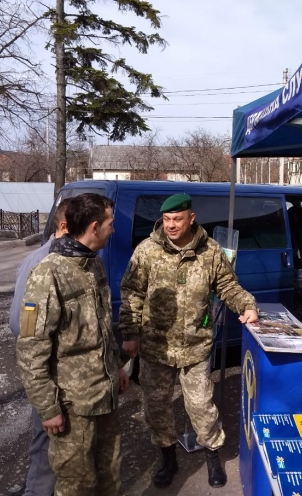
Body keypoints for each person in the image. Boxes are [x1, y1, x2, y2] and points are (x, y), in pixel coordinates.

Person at [119, 192, 259, 489]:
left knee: (201, 407)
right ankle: (168, 458)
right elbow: (131, 294)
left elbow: (228, 285)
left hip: (195, 347)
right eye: (167, 219)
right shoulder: (147, 251)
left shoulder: (210, 251)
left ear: (191, 218)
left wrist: (246, 305)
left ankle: (212, 456)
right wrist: (130, 334)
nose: (170, 225)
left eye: (177, 219)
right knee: (156, 409)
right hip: (155, 348)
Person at [16, 193, 128, 496]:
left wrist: (116, 367)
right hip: (72, 405)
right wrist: (47, 407)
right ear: (94, 227)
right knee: (76, 483)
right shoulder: (47, 274)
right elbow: (31, 349)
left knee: (110, 473)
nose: (113, 229)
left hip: (104, 396)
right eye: (110, 223)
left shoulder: (94, 266)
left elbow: (104, 328)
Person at [9, 197, 71, 496]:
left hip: (68, 375)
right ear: (65, 227)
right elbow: (22, 325)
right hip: (50, 373)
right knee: (47, 444)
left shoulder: (71, 260)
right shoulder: (43, 264)